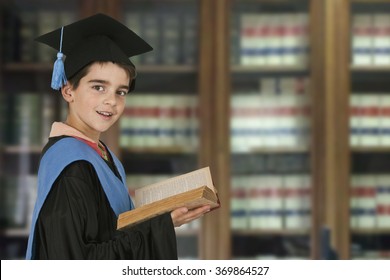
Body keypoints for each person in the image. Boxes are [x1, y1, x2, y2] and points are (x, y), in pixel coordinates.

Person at [25, 13, 211, 260]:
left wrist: (161, 220)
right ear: (68, 90)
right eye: (98, 87)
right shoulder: (71, 166)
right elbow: (73, 263)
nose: (111, 101)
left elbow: (110, 236)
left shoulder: (102, 156)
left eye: (121, 91)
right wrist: (161, 226)